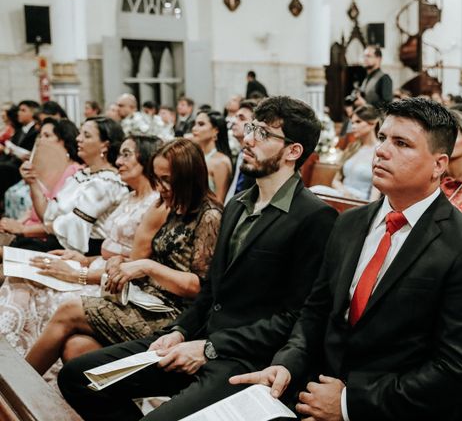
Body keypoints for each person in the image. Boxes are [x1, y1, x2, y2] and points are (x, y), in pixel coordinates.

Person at [58, 96, 338, 421]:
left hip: (243, 358)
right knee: (78, 378)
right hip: (197, 337)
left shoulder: (314, 217)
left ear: (293, 151)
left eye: (263, 134)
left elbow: (295, 317)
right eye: (251, 128)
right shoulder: (237, 204)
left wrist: (210, 348)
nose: (247, 139)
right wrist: (179, 330)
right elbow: (210, 290)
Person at [230, 98, 462, 421]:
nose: (382, 150)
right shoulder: (349, 223)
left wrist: (349, 404)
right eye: (383, 138)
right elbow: (315, 313)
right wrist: (287, 364)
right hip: (316, 391)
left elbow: (457, 371)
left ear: (439, 164)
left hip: (392, 410)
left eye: (402, 144)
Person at [25, 138, 224, 377]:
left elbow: (201, 288)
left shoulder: (209, 215)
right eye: (157, 178)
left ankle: (13, 393)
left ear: (188, 176)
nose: (160, 187)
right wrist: (121, 262)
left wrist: (147, 267)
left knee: (69, 309)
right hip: (146, 299)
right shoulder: (174, 206)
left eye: (167, 179)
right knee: (76, 348)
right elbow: (147, 257)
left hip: (174, 317)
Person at [0, 135, 164, 382]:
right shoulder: (130, 197)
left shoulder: (155, 204)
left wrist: (78, 273)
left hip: (114, 283)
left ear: (148, 159)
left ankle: (18, 385)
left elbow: (132, 265)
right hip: (96, 266)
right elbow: (111, 249)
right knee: (20, 279)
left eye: (127, 154)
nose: (118, 160)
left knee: (31, 289)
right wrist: (82, 258)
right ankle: (10, 372)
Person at [12, 117, 129, 255]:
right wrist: (32, 182)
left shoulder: (107, 181)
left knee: (20, 249)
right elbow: (47, 214)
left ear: (105, 145)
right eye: (80, 133)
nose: (78, 139)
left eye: (87, 135)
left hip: (88, 250)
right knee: (17, 247)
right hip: (62, 242)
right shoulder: (82, 175)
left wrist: (23, 230)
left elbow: (73, 224)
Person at [1, 119, 82, 236]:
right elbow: (31, 211)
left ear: (64, 140)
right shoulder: (45, 168)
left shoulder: (74, 172)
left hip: (43, 234)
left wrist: (21, 230)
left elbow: (61, 223)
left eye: (47, 136)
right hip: (29, 227)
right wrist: (14, 225)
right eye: (40, 136)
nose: (41, 140)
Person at [311, 105, 380, 201]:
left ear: (373, 123)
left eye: (358, 122)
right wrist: (345, 193)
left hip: (360, 201)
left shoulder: (379, 150)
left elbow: (376, 188)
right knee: (313, 191)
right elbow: (335, 180)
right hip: (342, 195)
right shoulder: (352, 147)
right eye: (352, 123)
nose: (353, 126)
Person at [191, 109, 233, 203]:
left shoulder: (221, 162)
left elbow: (219, 201)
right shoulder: (193, 156)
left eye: (201, 124)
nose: (194, 128)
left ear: (215, 130)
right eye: (195, 124)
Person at [0, 100, 39, 198]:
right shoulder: (20, 130)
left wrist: (10, 149)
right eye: (19, 110)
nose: (19, 113)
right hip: (11, 161)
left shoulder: (35, 131)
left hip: (20, 165)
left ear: (33, 113)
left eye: (23, 110)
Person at [224, 99, 257, 204]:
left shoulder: (256, 158)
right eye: (235, 117)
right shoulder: (240, 153)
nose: (234, 121)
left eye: (241, 118)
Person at [355, 45, 392, 112]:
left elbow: (387, 105)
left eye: (368, 56)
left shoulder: (384, 78)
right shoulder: (366, 77)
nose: (365, 59)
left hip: (377, 120)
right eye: (364, 56)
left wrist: (365, 104)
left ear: (378, 58)